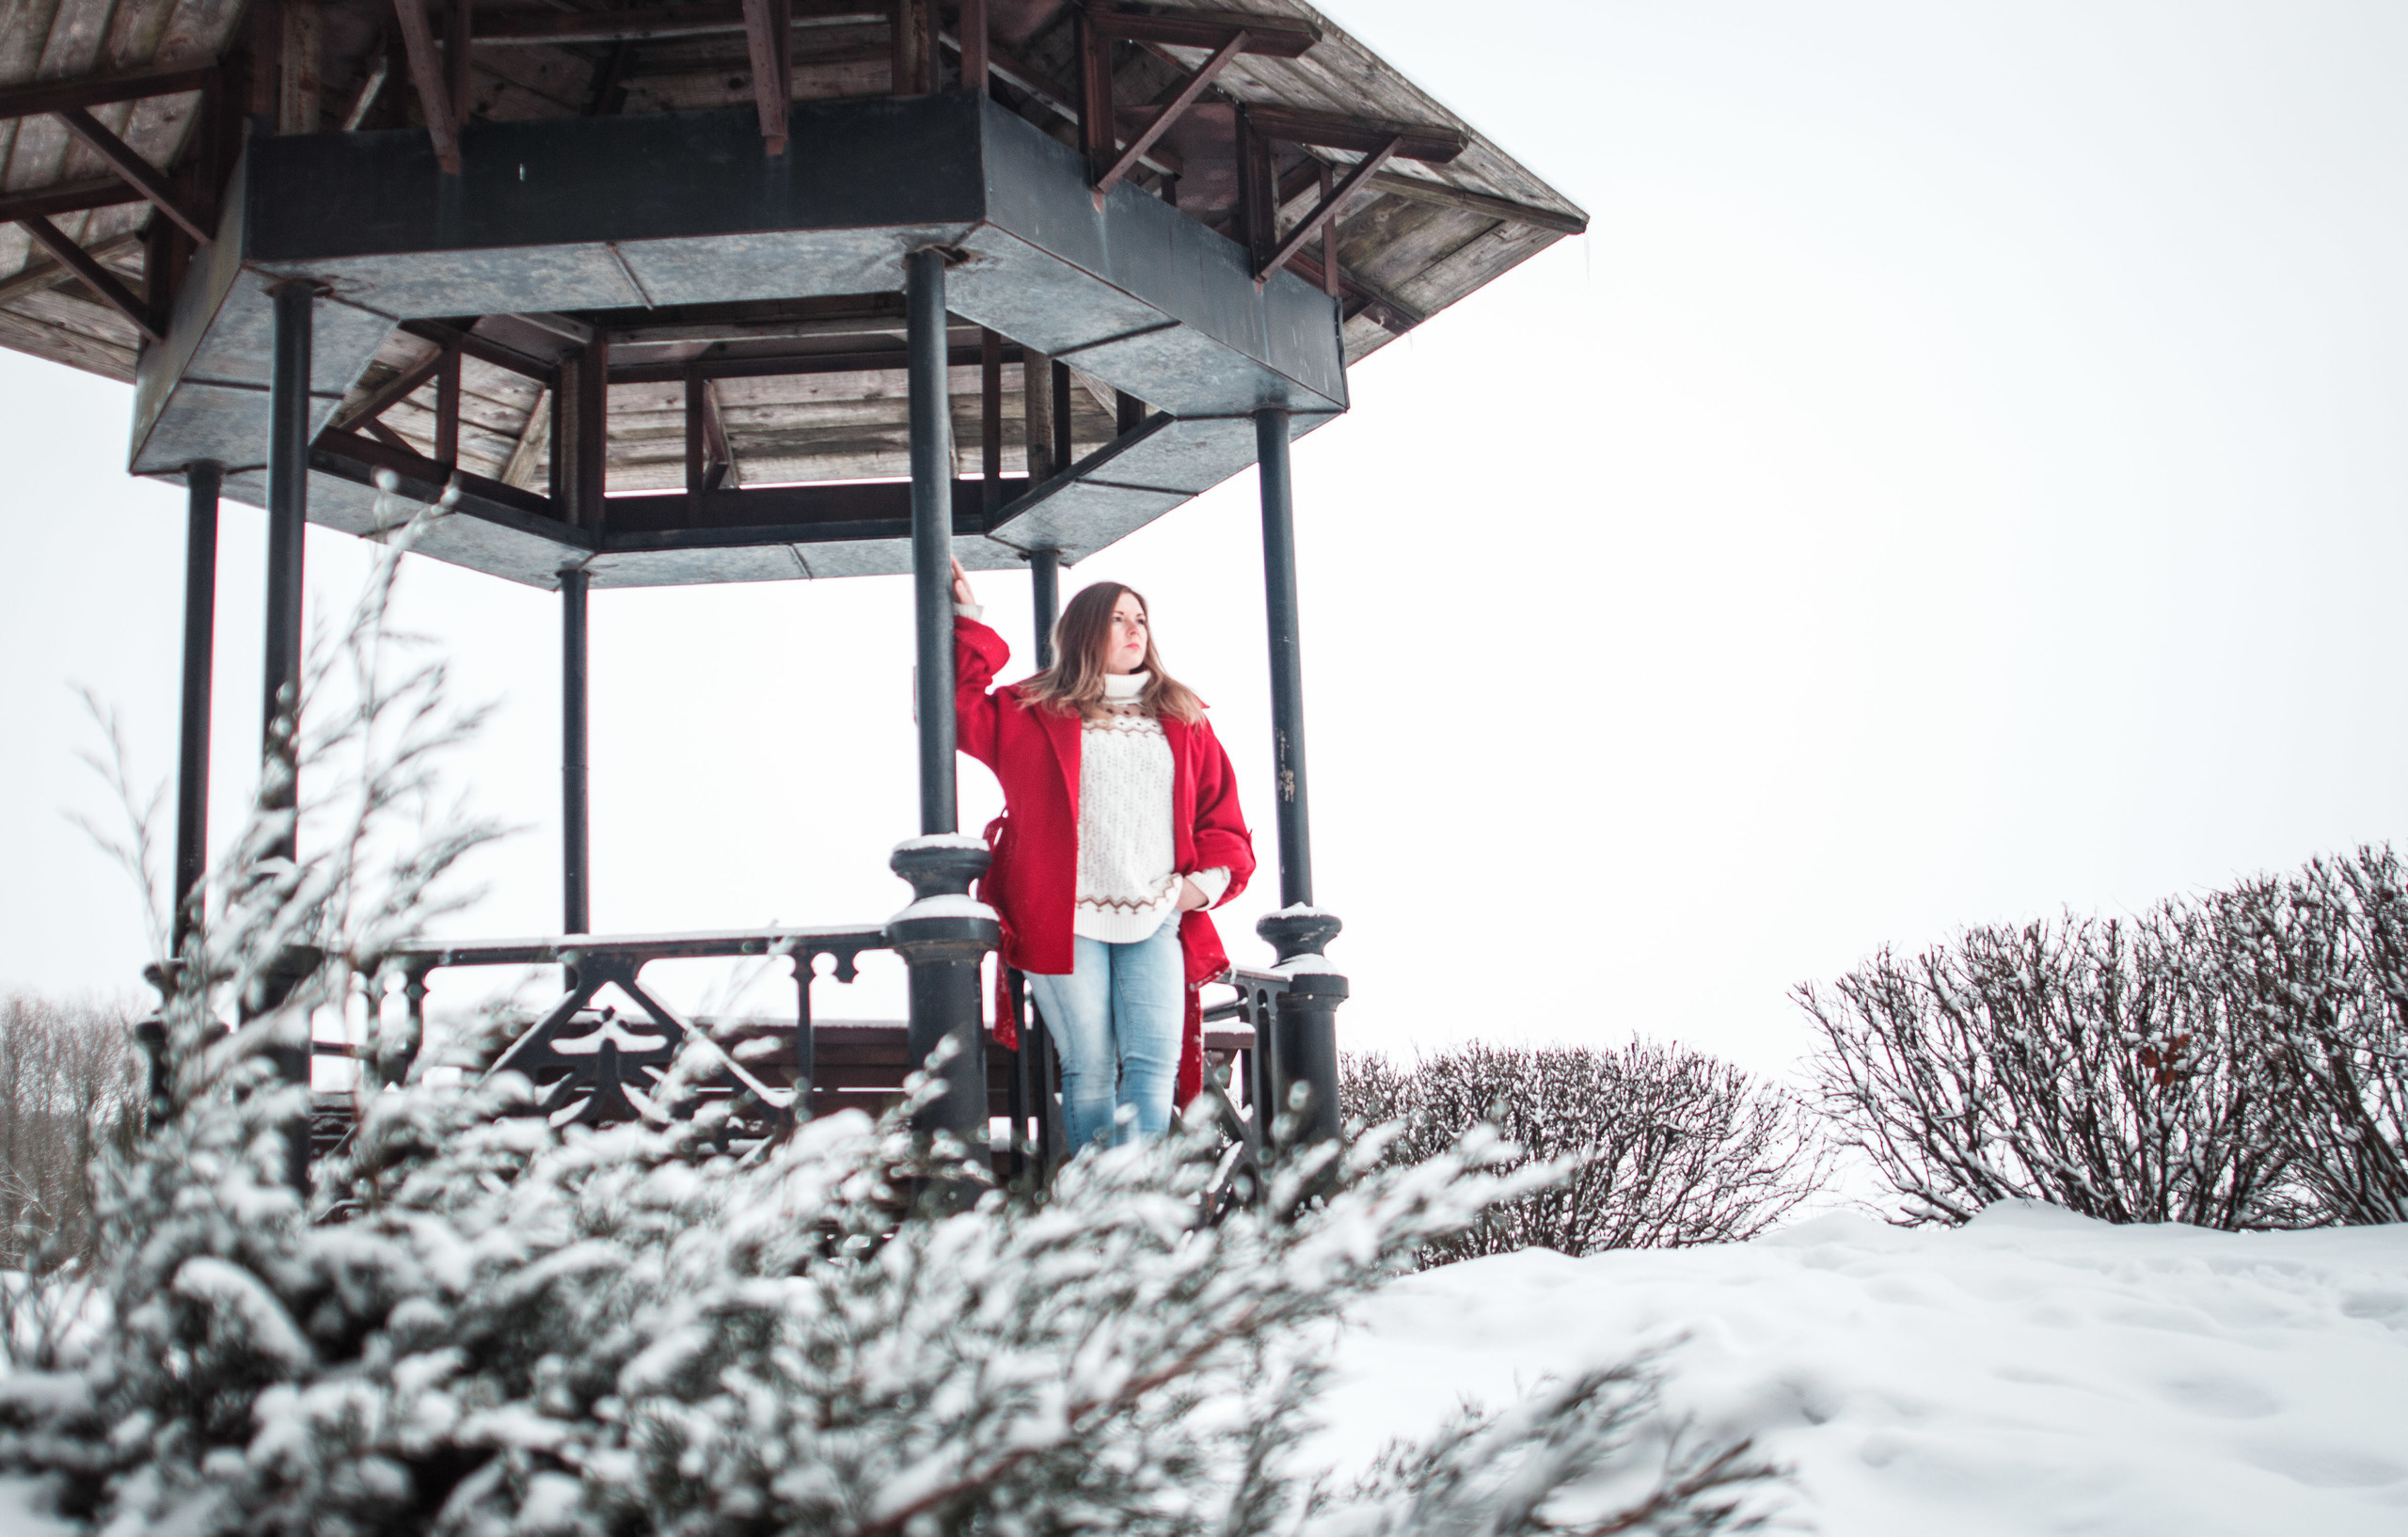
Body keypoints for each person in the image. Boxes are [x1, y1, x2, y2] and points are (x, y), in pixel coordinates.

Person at [949, 557, 1255, 1151]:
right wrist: (967, 619)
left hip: (1157, 913)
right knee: (1088, 1068)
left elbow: (1222, 816)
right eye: (1117, 618)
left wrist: (1203, 887)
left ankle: (1131, 1209)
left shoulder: (1183, 718)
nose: (1134, 628)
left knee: (1152, 1067)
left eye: (1140, 618)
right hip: (1063, 919)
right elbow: (952, 709)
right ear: (1086, 630)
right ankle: (1101, 1221)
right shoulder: (1030, 712)